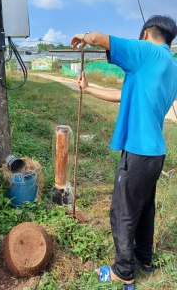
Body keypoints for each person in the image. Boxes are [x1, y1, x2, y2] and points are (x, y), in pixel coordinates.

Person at [70, 15, 177, 290]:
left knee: (123, 211)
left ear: (145, 34)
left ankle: (123, 271)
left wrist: (83, 37)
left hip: (139, 152)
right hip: (156, 153)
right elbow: (123, 96)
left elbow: (96, 38)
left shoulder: (145, 51)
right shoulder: (169, 65)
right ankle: (144, 258)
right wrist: (90, 89)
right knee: (144, 209)